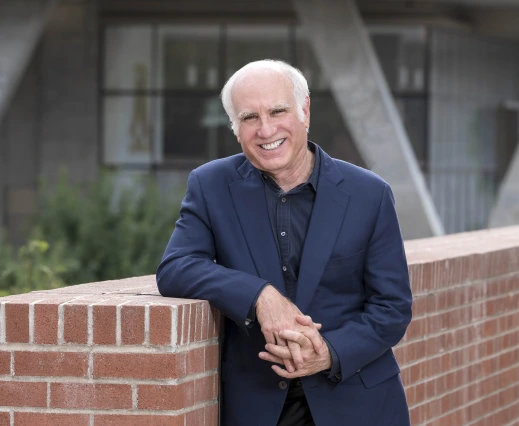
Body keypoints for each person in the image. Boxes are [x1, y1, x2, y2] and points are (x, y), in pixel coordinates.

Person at [157, 59, 413, 426]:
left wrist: (327, 353)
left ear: (305, 110)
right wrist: (260, 296)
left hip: (357, 402)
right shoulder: (210, 185)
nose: (266, 129)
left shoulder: (369, 194)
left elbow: (392, 308)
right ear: (235, 127)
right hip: (256, 405)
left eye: (278, 111)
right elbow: (175, 268)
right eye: (249, 117)